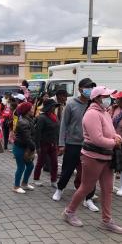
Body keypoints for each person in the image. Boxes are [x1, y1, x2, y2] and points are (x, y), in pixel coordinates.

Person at [62, 86, 122, 233]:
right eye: (106, 96)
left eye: (109, 96)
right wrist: (114, 142)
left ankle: (106, 221)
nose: (109, 99)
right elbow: (97, 139)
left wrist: (116, 137)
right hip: (93, 157)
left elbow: (111, 132)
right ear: (97, 98)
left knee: (107, 190)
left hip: (107, 156)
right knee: (86, 187)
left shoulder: (105, 112)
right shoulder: (92, 114)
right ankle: (69, 212)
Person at [53, 78, 99, 212]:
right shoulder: (71, 104)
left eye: (91, 87)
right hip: (73, 143)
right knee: (67, 169)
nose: (89, 90)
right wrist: (61, 143)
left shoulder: (93, 104)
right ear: (80, 89)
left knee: (90, 173)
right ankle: (59, 189)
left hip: (90, 145)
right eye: (87, 87)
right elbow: (63, 125)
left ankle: (88, 199)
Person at [33, 99, 60, 187]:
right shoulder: (42, 118)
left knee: (54, 163)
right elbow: (38, 133)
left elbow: (57, 130)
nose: (54, 108)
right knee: (41, 162)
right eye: (53, 106)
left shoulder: (54, 116)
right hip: (43, 144)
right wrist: (37, 146)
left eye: (55, 106)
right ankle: (36, 179)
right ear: (49, 107)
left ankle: (53, 180)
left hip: (53, 144)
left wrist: (58, 143)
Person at [12, 102, 36, 194]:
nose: (33, 109)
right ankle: (16, 186)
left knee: (30, 166)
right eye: (31, 108)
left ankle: (24, 183)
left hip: (26, 147)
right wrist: (33, 148)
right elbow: (27, 138)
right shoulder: (23, 122)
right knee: (21, 167)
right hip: (20, 148)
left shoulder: (28, 119)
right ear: (27, 110)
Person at [109, 91, 122, 196]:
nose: (117, 100)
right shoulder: (114, 109)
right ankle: (110, 185)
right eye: (117, 98)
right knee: (112, 163)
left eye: (119, 99)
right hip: (113, 141)